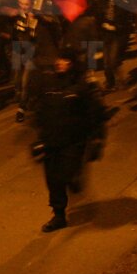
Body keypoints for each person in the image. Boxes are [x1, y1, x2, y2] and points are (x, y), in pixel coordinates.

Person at [30, 48, 109, 232]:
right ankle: (58, 215)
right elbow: (39, 110)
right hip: (51, 140)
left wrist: (98, 139)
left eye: (64, 60)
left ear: (72, 63)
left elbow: (96, 113)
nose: (59, 63)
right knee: (53, 179)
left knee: (66, 173)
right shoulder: (48, 81)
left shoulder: (83, 84)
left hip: (74, 140)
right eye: (59, 59)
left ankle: (73, 179)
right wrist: (38, 138)